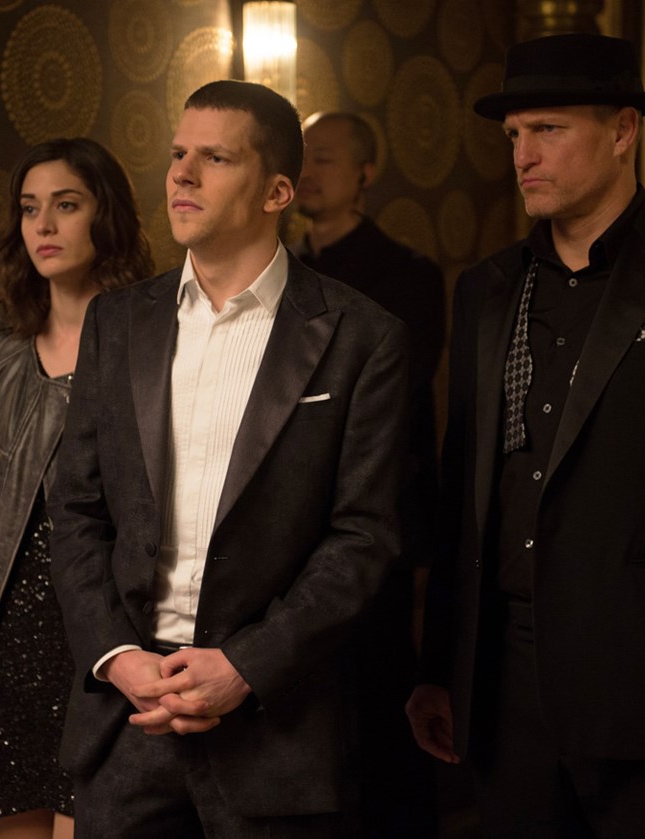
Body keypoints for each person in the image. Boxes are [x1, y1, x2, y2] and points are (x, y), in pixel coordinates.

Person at [406, 33, 645, 836]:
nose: (523, 155)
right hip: (503, 691)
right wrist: (440, 668)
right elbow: (462, 495)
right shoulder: (486, 288)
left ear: (623, 130)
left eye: (548, 129)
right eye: (514, 134)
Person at [47, 80, 410, 837]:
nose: (181, 174)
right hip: (127, 717)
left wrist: (246, 665)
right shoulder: (118, 321)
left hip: (275, 727)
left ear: (278, 191)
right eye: (178, 154)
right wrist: (116, 655)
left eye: (214, 158)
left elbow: (364, 537)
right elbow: (76, 505)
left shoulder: (361, 336)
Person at [0, 137, 153, 838]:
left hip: (103, 641)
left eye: (66, 205)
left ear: (106, 215)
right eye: (28, 208)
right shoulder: (0, 349)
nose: (42, 225)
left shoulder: (154, 341)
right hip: (5, 643)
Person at [292, 110, 445, 837]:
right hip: (288, 530)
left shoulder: (405, 274)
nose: (308, 172)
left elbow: (390, 400)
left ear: (365, 173)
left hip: (374, 517)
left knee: (381, 709)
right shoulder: (279, 269)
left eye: (325, 158)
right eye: (301, 157)